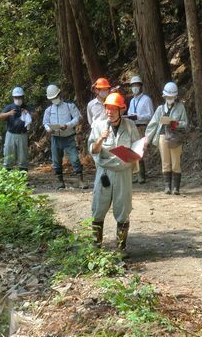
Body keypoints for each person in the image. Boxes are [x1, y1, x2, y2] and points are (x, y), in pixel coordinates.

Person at [88, 92, 140, 252]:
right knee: (98, 208)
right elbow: (93, 150)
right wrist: (100, 139)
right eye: (107, 108)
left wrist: (140, 149)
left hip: (123, 172)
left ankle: (121, 249)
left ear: (120, 110)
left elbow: (136, 147)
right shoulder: (98, 125)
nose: (109, 112)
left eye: (113, 109)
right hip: (104, 172)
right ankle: (96, 248)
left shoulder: (130, 126)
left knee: (123, 209)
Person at [145, 82, 188, 195]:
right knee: (165, 162)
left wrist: (175, 123)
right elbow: (153, 124)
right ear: (164, 96)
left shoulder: (180, 107)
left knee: (175, 162)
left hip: (175, 137)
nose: (170, 99)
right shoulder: (160, 109)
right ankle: (167, 187)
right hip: (162, 136)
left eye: (172, 97)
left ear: (175, 97)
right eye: (168, 97)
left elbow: (185, 123)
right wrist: (147, 139)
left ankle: (176, 188)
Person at [42, 84, 87, 189]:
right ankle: (60, 181)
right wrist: (49, 129)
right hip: (55, 138)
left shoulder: (69, 106)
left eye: (55, 97)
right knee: (56, 160)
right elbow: (45, 123)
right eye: (52, 98)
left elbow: (78, 118)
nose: (54, 100)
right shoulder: (48, 110)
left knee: (75, 158)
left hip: (68, 136)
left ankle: (80, 180)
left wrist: (68, 125)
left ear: (60, 94)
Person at [0, 87, 35, 171]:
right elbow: (0, 116)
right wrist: (9, 113)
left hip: (22, 134)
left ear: (23, 97)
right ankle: (8, 178)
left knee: (23, 157)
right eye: (16, 97)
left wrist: (28, 113)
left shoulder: (26, 107)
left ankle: (23, 179)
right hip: (10, 134)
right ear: (13, 97)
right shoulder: (10, 107)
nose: (18, 99)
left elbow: (35, 115)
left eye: (20, 97)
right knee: (8, 155)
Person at [127, 75, 154, 184]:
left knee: (140, 151)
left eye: (136, 85)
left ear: (141, 86)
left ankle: (141, 175)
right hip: (133, 127)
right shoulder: (132, 100)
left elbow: (151, 115)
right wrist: (130, 116)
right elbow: (129, 112)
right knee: (132, 150)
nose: (134, 87)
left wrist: (138, 117)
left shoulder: (146, 99)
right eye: (133, 85)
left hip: (142, 127)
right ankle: (135, 174)